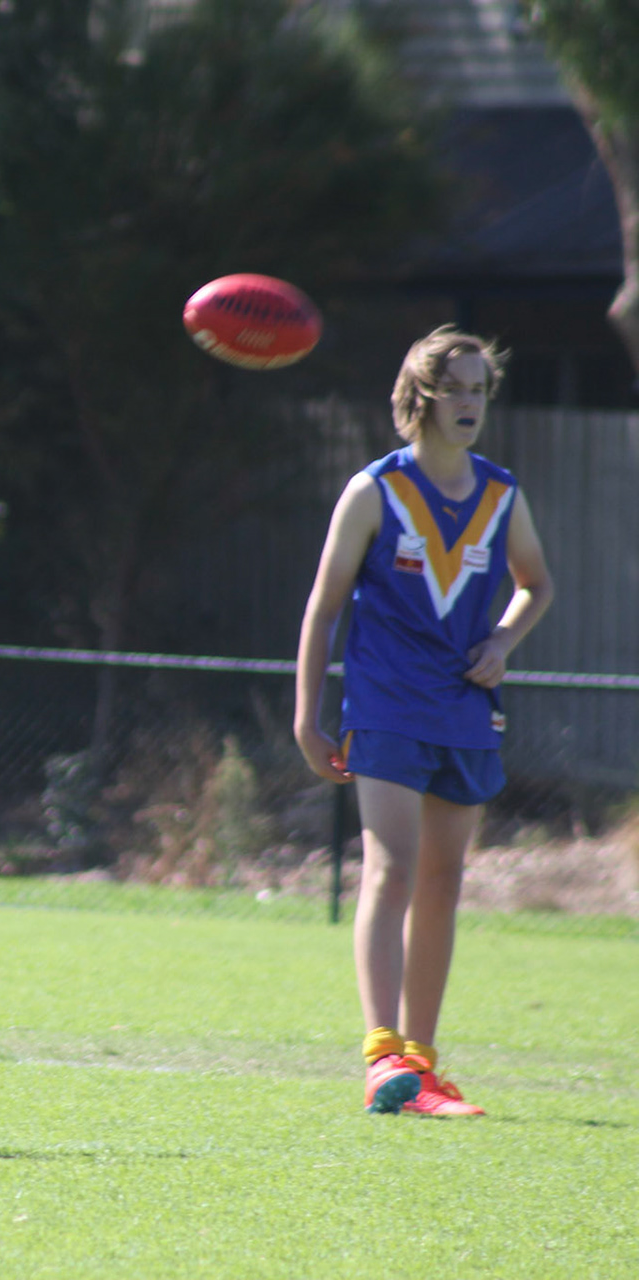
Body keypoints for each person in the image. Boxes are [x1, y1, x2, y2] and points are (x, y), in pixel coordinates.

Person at [294, 325, 554, 1116]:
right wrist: (307, 718)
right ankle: (381, 1057)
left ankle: (422, 1067)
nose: (470, 403)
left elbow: (536, 584)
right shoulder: (374, 491)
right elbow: (323, 609)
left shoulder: (501, 495)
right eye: (455, 390)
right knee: (392, 868)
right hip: (385, 706)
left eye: (480, 390)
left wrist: (502, 642)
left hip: (464, 710)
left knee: (443, 881)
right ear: (422, 398)